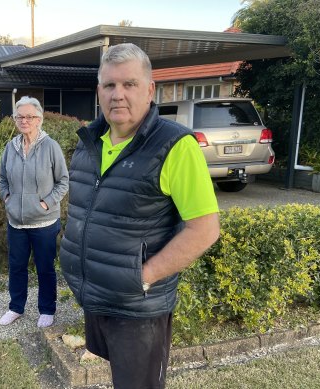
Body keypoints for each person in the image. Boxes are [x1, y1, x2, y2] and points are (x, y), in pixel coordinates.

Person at [60, 43, 220, 388]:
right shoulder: (91, 141)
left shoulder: (175, 146)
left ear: (149, 90)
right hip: (96, 295)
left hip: (138, 308)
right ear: (99, 91)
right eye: (109, 85)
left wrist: (143, 277)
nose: (118, 94)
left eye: (129, 84)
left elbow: (204, 229)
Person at [0, 96, 69, 328]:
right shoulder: (11, 147)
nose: (24, 120)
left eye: (29, 116)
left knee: (45, 267)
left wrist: (46, 203)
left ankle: (47, 309)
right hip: (16, 222)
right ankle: (16, 307)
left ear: (39, 119)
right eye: (20, 117)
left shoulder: (51, 147)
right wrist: (7, 197)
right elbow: (2, 178)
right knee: (16, 266)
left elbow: (63, 181)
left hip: (44, 223)